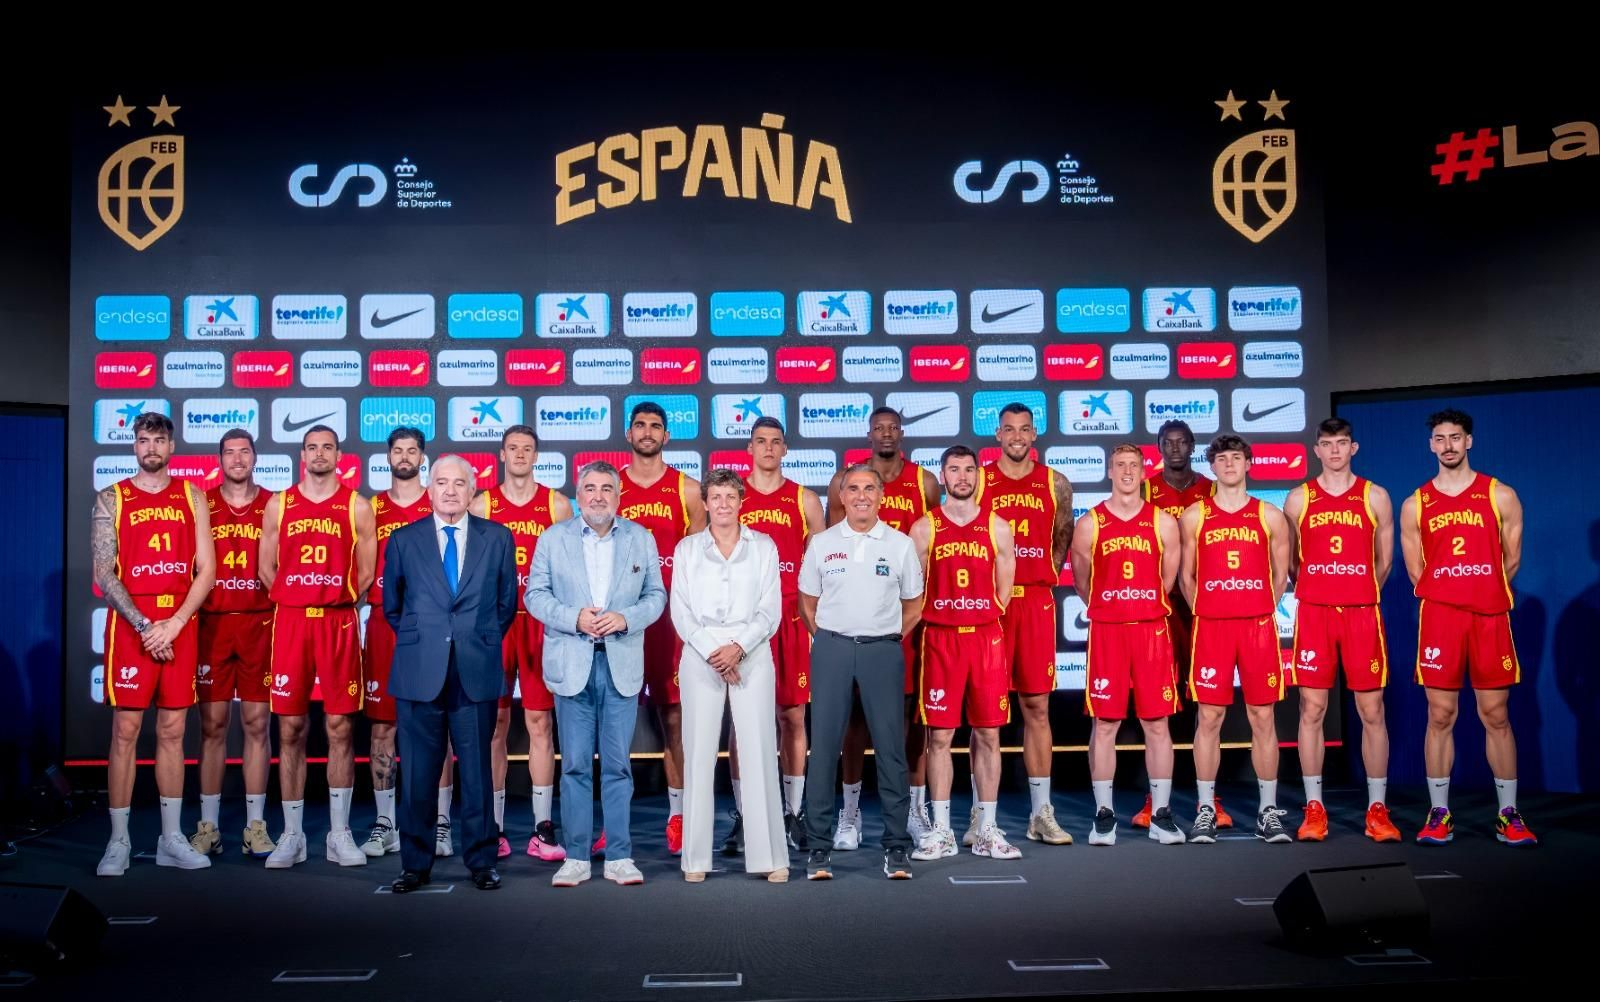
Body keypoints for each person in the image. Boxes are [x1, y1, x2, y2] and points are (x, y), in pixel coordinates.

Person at [1399, 409, 1535, 846]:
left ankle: (1508, 814)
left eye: (1455, 437)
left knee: (1496, 714)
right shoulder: (1416, 503)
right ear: (1431, 445)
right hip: (1440, 619)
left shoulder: (1500, 495)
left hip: (1489, 617)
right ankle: (1439, 813)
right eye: (1440, 439)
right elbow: (1416, 570)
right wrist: (1450, 592)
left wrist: (1481, 590)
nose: (1448, 446)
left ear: (1469, 441)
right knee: (1440, 715)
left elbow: (1511, 560)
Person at [383, 455, 519, 892]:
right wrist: (430, 642)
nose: (450, 491)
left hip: (474, 670)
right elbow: (393, 608)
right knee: (418, 775)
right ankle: (414, 864)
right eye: (441, 482)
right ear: (429, 489)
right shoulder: (403, 540)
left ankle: (481, 860)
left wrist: (472, 639)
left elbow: (505, 604)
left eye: (459, 483)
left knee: (477, 773)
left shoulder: (498, 538)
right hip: (420, 671)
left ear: (472, 491)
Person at [528, 460, 667, 886]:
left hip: (620, 663)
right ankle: (576, 857)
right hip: (573, 663)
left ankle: (620, 855)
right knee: (574, 766)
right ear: (578, 494)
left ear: (619, 496)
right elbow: (535, 596)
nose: (598, 496)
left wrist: (626, 618)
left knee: (618, 766)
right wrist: (574, 618)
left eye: (607, 488)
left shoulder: (640, 538)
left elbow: (656, 596)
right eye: (590, 488)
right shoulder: (554, 539)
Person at [93, 412, 217, 875]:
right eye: (143, 440)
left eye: (159, 440)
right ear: (134, 446)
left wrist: (175, 623)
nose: (151, 448)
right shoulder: (112, 496)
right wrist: (147, 626)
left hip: (179, 624)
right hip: (133, 626)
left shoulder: (192, 495)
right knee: (125, 731)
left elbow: (207, 570)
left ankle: (171, 838)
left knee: (172, 732)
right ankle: (118, 841)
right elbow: (104, 572)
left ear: (171, 446)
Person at [258, 425, 376, 868]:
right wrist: (296, 596)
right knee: (290, 728)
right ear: (302, 455)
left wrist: (335, 600)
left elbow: (366, 573)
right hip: (291, 622)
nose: (320, 453)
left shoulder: (356, 505)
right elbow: (265, 568)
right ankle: (292, 835)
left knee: (340, 727)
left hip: (337, 621)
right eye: (312, 447)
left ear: (339, 455)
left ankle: (339, 834)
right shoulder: (280, 503)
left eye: (328, 447)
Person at [801, 464, 925, 881]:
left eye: (869, 488)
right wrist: (833, 639)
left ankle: (896, 846)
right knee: (824, 749)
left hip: (882, 651)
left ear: (881, 496)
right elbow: (807, 602)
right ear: (841, 496)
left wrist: (884, 637)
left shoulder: (900, 545)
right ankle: (818, 847)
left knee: (890, 750)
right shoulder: (821, 543)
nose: (860, 496)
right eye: (852, 488)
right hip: (832, 649)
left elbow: (913, 605)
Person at [824, 407, 939, 850]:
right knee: (853, 719)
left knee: (909, 719)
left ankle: (914, 810)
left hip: (904, 620)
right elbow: (834, 547)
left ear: (902, 433)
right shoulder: (846, 481)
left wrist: (903, 624)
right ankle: (850, 814)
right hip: (856, 620)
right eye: (879, 428)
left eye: (893, 428)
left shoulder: (925, 482)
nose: (886, 434)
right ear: (868, 433)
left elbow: (936, 539)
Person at [1282, 418, 1401, 842]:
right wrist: (1321, 589)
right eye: (1327, 444)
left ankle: (1377, 809)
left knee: (1372, 711)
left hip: (1361, 613)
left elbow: (1384, 562)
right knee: (1311, 710)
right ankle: (1314, 807)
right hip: (1315, 613)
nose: (1334, 450)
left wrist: (1357, 591)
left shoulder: (1375, 496)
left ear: (1354, 448)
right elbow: (1291, 562)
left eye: (1342, 443)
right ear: (1316, 450)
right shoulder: (1299, 498)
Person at [672, 469, 787, 882]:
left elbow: (770, 609)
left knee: (758, 752)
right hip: (701, 653)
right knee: (698, 753)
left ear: (741, 502)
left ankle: (769, 857)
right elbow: (681, 610)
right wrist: (713, 651)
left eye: (730, 497)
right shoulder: (687, 549)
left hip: (751, 652)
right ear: (705, 503)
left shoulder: (764, 546)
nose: (723, 504)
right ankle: (695, 860)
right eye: (716, 497)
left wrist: (738, 647)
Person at [1069, 444, 1185, 846]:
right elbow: (1082, 581)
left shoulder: (1163, 522)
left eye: (1134, 465)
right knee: (1105, 723)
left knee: (1158, 723)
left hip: (1151, 630)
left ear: (1143, 471)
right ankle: (1104, 816)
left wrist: (1141, 604)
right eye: (1120, 465)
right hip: (1108, 631)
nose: (1127, 472)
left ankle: (1162, 815)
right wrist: (1112, 606)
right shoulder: (1090, 523)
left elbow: (1167, 579)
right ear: (1109, 470)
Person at [1180, 435, 1293, 844]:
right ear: (1212, 466)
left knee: (1263, 717)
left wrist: (1259, 607)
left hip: (1256, 627)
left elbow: (1281, 576)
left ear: (1248, 464)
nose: (1229, 464)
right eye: (1221, 458)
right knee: (1209, 717)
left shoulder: (1270, 515)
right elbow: (1186, 577)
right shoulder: (1195, 515)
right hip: (1212, 627)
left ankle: (1267, 812)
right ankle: (1205, 809)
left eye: (1236, 457)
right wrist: (1207, 610)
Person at [909, 446, 1018, 861]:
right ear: (943, 476)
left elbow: (1005, 588)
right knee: (939, 737)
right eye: (954, 470)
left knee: (988, 734)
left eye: (969, 469)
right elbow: (913, 588)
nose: (962, 477)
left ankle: (986, 828)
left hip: (985, 639)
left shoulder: (997, 526)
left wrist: (984, 612)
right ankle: (942, 831)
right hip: (940, 639)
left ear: (977, 475)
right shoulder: (925, 528)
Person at [472, 424, 572, 862]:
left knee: (540, 723)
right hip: (494, 624)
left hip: (539, 623)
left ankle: (541, 828)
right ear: (501, 454)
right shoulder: (482, 504)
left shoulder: (556, 504)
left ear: (535, 456)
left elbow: (570, 567)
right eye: (512, 448)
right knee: (494, 725)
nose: (519, 455)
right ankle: (493, 828)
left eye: (527, 449)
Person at [726, 417, 824, 854]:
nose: (768, 448)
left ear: (785, 449)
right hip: (743, 621)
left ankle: (793, 812)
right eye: (760, 441)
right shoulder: (733, 496)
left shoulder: (805, 499)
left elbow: (822, 567)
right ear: (749, 448)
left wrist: (815, 621)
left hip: (790, 618)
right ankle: (744, 816)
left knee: (793, 716)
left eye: (775, 442)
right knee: (741, 721)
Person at [979, 402, 1074, 846]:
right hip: (990, 604)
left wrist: (1042, 572)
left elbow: (1062, 536)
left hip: (1035, 601)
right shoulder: (980, 480)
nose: (1017, 436)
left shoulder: (1055, 482)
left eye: (1024, 429)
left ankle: (1041, 813)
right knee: (986, 715)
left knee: (1037, 707)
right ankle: (982, 815)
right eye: (1009, 429)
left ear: (1034, 435)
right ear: (997, 435)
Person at [618, 402, 706, 856]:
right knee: (614, 724)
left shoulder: (687, 489)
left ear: (667, 436)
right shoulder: (612, 488)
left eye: (655, 426)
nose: (647, 432)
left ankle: (679, 817)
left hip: (671, 622)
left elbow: (703, 560)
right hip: (623, 621)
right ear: (628, 434)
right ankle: (615, 822)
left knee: (675, 720)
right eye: (640, 425)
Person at [361, 428, 448, 859]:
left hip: (431, 625)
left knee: (439, 725)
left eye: (412, 450)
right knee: (383, 727)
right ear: (388, 457)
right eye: (398, 450)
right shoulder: (370, 507)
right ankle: (386, 823)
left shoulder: (438, 504)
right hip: (383, 623)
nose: (405, 457)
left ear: (422, 458)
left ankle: (441, 823)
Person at [1137, 418, 1228, 829]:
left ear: (1192, 446)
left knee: (1206, 700)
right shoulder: (1145, 489)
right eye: (1167, 442)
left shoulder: (1211, 488)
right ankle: (1155, 797)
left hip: (1204, 605)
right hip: (1160, 606)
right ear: (1159, 448)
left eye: (1182, 442)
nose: (1175, 448)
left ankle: (1210, 798)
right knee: (1159, 702)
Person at [191, 428, 276, 860]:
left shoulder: (274, 504)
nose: (238, 459)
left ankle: (255, 826)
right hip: (213, 626)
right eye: (230, 452)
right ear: (220, 459)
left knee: (257, 725)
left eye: (245, 452)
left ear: (255, 458)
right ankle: (208, 827)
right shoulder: (201, 504)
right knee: (213, 727)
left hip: (261, 625)